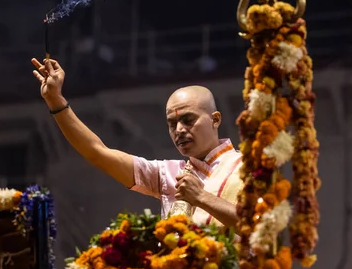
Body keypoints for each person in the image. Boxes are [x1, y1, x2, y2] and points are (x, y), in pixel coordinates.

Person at [31, 57, 243, 229]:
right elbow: (97, 152)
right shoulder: (168, 174)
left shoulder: (247, 166)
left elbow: (259, 227)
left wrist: (201, 197)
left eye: (188, 120)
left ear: (215, 119)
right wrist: (55, 100)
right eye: (172, 124)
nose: (179, 130)